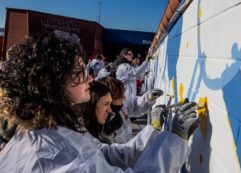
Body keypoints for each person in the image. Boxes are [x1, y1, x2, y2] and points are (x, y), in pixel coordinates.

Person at [0, 33, 200, 172]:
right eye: (80, 72)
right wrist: (173, 143)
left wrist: (153, 131)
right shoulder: (55, 154)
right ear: (50, 85)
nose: (89, 79)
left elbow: (106, 156)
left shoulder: (55, 129)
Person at [101, 77, 164, 144]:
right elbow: (122, 151)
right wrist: (154, 129)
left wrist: (148, 97)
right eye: (120, 96)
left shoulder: (119, 107)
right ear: (109, 100)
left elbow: (134, 105)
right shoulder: (104, 128)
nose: (124, 97)